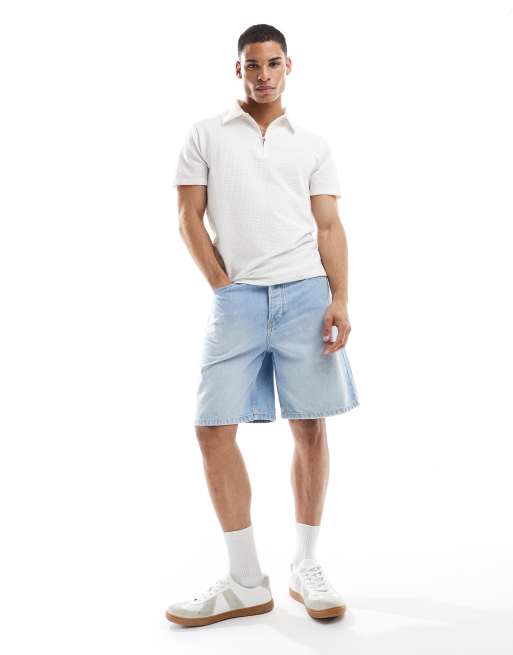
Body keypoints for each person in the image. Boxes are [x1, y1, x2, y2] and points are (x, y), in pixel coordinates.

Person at [165, 23, 360, 628]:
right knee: (211, 428)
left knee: (310, 426)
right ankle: (246, 580)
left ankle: (306, 564)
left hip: (306, 294)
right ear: (239, 70)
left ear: (288, 67)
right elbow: (188, 218)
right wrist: (223, 287)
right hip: (239, 299)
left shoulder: (313, 145)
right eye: (253, 65)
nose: (264, 74)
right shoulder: (206, 134)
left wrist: (340, 298)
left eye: (274, 63)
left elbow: (328, 226)